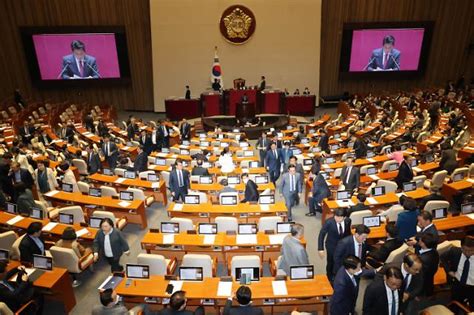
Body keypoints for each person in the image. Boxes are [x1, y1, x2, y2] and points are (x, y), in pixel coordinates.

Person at [318, 208, 352, 281]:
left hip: (343, 245)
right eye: (336, 216)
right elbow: (322, 234)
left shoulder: (348, 221)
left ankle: (339, 275)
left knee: (342, 260)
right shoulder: (329, 222)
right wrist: (320, 248)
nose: (337, 219)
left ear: (344, 217)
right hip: (331, 245)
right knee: (331, 261)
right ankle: (329, 277)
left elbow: (348, 232)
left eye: (340, 217)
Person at [441, 235, 474, 306]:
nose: (467, 253)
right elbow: (443, 258)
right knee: (455, 304)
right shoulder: (455, 251)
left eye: (471, 250)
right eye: (464, 250)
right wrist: (449, 271)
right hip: (457, 284)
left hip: (472, 287)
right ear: (461, 247)